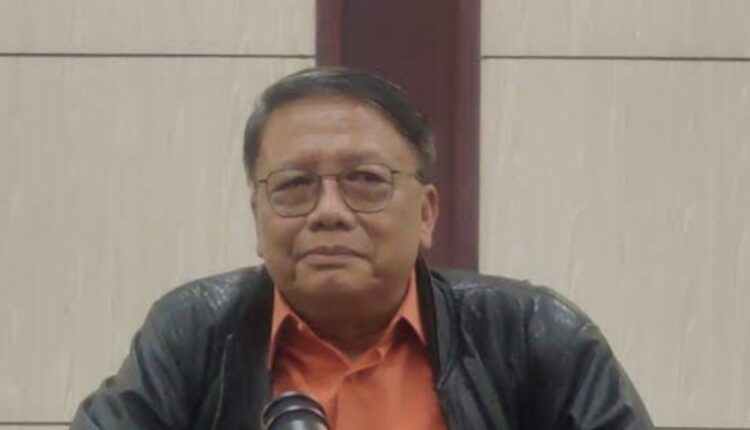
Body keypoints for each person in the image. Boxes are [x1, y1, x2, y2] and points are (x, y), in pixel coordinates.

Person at [70, 67, 653, 430]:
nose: (328, 211)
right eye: (294, 185)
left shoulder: (533, 334)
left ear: (425, 214)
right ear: (258, 220)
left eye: (365, 180)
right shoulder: (193, 332)